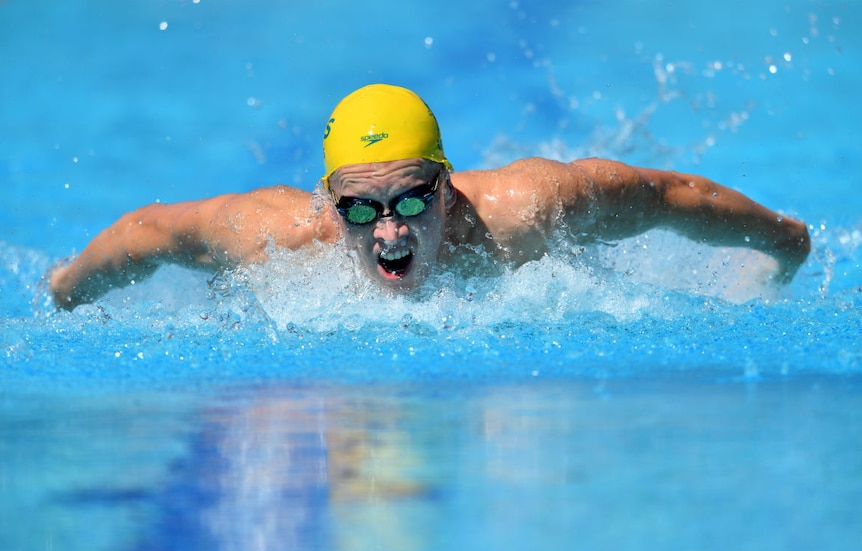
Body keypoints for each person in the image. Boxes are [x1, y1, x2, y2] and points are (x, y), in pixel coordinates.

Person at [49, 84, 811, 310]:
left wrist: (782, 240)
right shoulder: (273, 236)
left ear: (448, 190)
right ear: (328, 203)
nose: (387, 234)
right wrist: (65, 290)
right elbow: (144, 232)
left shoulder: (528, 208)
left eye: (410, 200)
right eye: (358, 208)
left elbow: (667, 193)